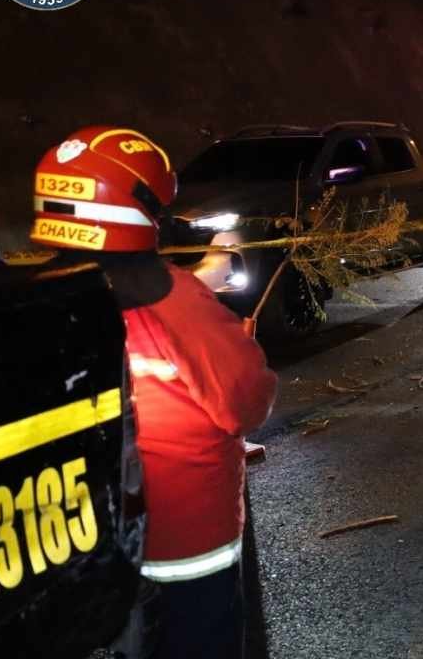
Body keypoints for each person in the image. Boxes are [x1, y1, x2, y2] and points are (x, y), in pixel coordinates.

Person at [30, 126, 277, 657]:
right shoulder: (178, 303)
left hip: (96, 546)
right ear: (141, 213)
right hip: (188, 546)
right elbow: (246, 401)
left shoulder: (44, 300)